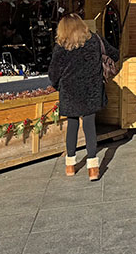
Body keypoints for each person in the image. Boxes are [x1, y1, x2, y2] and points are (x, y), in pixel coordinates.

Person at [48, 14, 119, 181]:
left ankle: (70, 165)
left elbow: (53, 74)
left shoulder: (61, 46)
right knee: (89, 125)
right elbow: (114, 54)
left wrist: (59, 84)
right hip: (91, 90)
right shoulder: (95, 40)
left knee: (72, 125)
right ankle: (93, 168)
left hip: (70, 91)